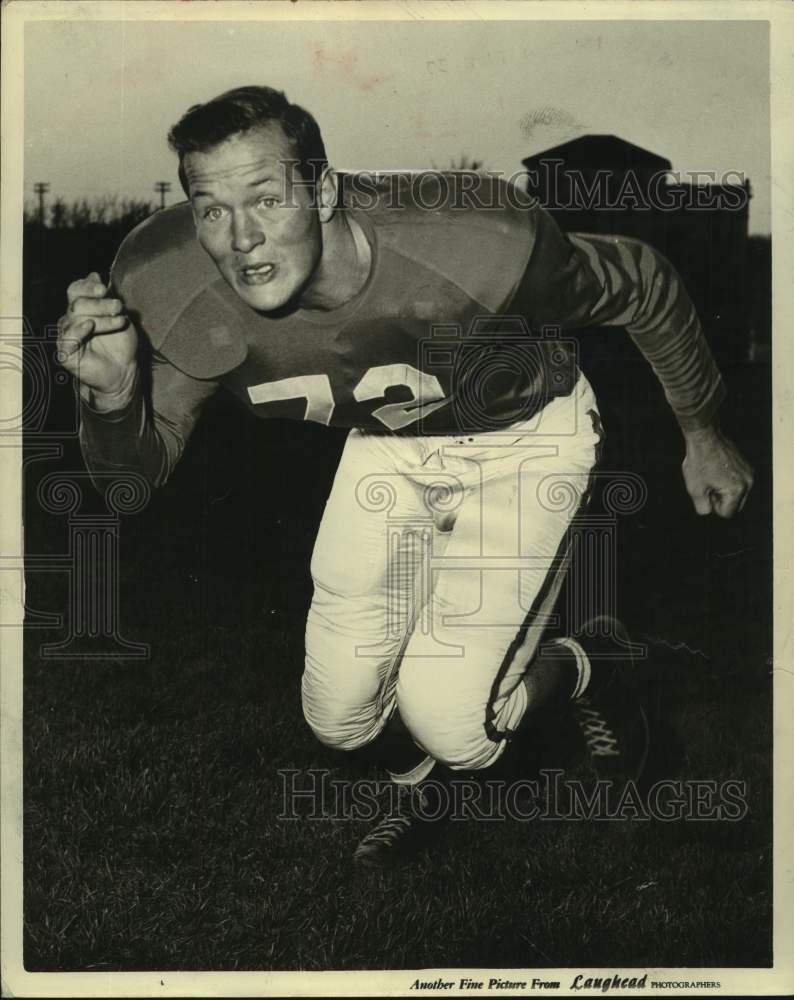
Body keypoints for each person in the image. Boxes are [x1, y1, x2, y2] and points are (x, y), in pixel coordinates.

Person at [56, 86, 753, 867]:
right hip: (391, 445)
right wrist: (112, 397)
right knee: (338, 717)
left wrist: (702, 431)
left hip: (521, 442)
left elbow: (644, 283)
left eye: (266, 198)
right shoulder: (174, 286)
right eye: (211, 209)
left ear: (322, 190)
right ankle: (424, 785)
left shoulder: (477, 245)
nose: (242, 237)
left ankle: (596, 663)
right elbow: (133, 479)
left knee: (459, 725)